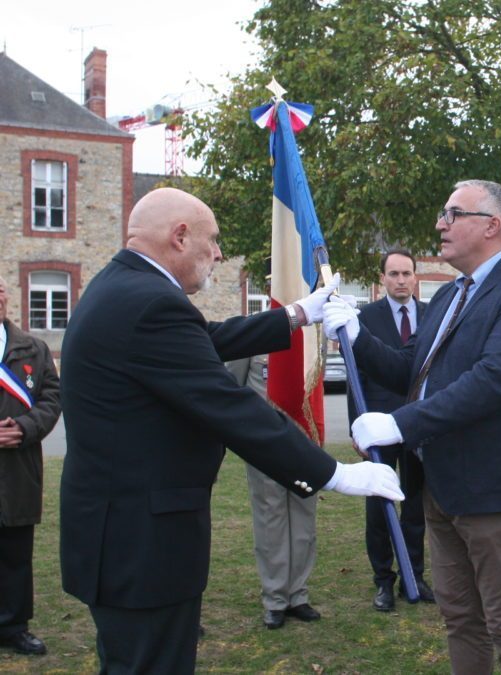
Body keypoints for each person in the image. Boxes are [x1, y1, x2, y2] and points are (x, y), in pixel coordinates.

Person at [58, 188, 404, 673]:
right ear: (180, 237)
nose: (219, 253)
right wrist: (336, 475)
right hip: (141, 544)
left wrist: (299, 313)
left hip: (121, 535)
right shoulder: (150, 303)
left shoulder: (127, 287)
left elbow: (205, 339)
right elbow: (233, 408)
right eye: (213, 240)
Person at [325, 179, 501, 674]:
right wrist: (357, 336)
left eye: (453, 213)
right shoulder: (452, 293)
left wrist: (399, 424)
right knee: (460, 618)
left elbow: (492, 381)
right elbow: (412, 368)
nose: (440, 223)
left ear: (491, 226)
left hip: (497, 492)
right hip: (443, 487)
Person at [355, 248, 434, 611]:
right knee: (380, 505)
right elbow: (359, 377)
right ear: (382, 278)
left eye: (407, 273)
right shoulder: (365, 318)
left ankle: (413, 576)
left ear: (415, 276)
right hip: (379, 428)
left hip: (418, 425)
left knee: (415, 506)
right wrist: (359, 428)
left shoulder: (434, 316)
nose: (401, 280)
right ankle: (383, 581)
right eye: (394, 274)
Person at [226, 354, 321, 630]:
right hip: (265, 443)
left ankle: (298, 595)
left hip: (305, 441)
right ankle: (275, 598)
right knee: (271, 519)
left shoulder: (311, 338)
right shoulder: (252, 336)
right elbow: (231, 387)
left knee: (304, 522)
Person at [0, 276, 61, 656]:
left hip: (18, 469)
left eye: (0, 288)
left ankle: (13, 626)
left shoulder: (33, 349)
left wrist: (24, 428)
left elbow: (53, 399)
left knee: (15, 553)